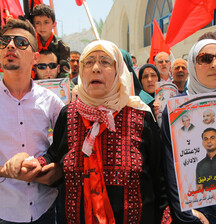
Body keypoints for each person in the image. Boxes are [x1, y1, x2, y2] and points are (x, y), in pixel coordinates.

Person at [6, 40, 168, 224]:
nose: (96, 68)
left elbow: (160, 179)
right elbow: (55, 156)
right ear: (82, 71)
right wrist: (33, 163)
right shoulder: (68, 115)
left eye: (105, 62)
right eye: (89, 62)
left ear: (118, 71)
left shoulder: (141, 116)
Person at [0, 18, 64, 223]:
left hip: (45, 208)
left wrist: (57, 169)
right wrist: (6, 171)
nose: (10, 45)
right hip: (4, 210)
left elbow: (68, 146)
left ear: (35, 57)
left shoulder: (52, 101)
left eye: (20, 42)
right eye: (4, 41)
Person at [162, 39, 216, 224]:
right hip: (199, 214)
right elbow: (170, 168)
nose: (215, 64)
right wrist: (187, 215)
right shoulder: (176, 111)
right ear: (192, 65)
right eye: (205, 58)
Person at [31, 4, 70, 77]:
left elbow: (65, 72)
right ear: (33, 25)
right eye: (38, 23)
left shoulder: (62, 46)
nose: (42, 27)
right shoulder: (31, 44)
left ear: (54, 24)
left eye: (46, 22)